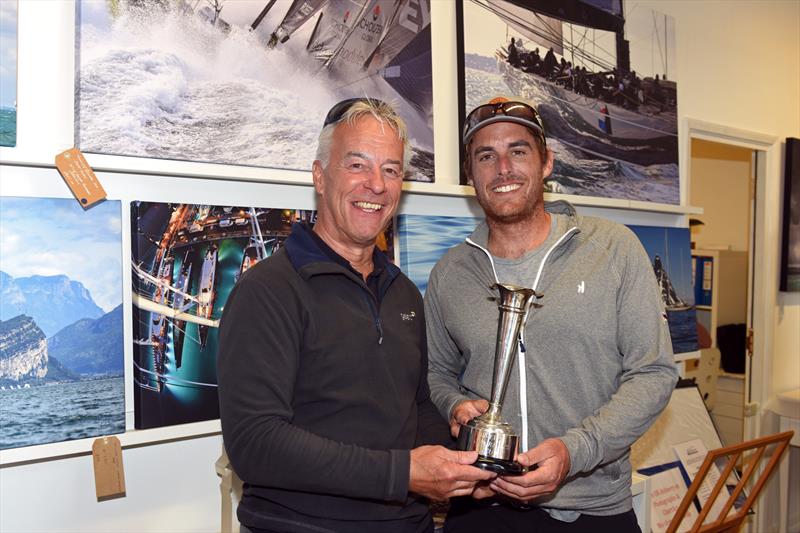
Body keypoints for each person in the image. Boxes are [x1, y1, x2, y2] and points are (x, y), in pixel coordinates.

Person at [217, 97, 494, 533]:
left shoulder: (402, 292)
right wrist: (402, 473)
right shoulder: (267, 290)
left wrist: (459, 462)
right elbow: (255, 443)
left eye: (391, 170)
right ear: (320, 177)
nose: (376, 185)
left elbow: (415, 408)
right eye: (357, 165)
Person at [425, 97, 679, 532]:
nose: (502, 168)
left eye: (518, 151)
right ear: (472, 176)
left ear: (546, 163)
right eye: (486, 156)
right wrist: (455, 403)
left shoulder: (612, 248)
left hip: (592, 510)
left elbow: (654, 372)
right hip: (481, 507)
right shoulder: (450, 271)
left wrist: (574, 450)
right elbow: (436, 371)